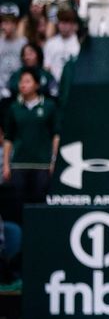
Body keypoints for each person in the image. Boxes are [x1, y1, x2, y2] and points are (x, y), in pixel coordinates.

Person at [2, 68, 59, 215]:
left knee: (40, 205)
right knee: (18, 206)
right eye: (21, 81)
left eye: (27, 81)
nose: (23, 85)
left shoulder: (49, 107)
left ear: (37, 85)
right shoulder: (14, 108)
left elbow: (55, 136)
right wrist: (7, 164)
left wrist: (53, 161)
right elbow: (8, 138)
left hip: (42, 165)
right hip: (19, 164)